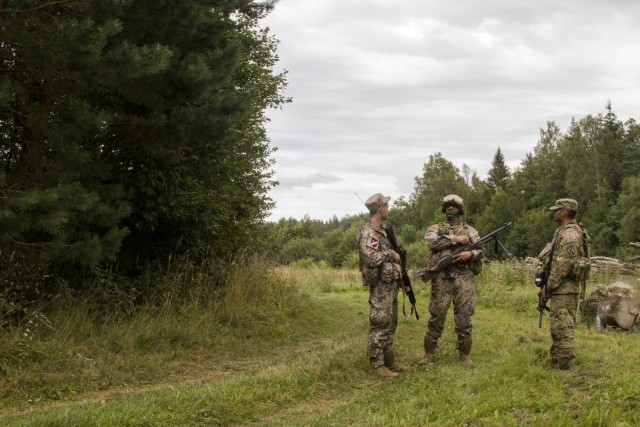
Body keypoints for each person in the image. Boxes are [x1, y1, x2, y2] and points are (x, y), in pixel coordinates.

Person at [419, 194, 484, 365]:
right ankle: (429, 354)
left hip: (464, 278)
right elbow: (432, 243)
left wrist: (470, 254)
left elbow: (481, 250)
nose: (450, 207)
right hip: (441, 278)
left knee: (464, 317)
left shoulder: (470, 230)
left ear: (461, 208)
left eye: (454, 205)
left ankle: (464, 355)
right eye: (447, 204)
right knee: (436, 315)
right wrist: (455, 239)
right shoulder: (435, 228)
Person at [357, 193, 409, 378]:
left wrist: (402, 280)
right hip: (379, 285)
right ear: (380, 208)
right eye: (387, 205)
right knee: (380, 322)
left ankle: (389, 361)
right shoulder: (369, 233)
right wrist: (390, 254)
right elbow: (370, 258)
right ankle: (377, 365)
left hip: (390, 284)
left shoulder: (383, 232)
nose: (388, 208)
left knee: (391, 321)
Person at [538, 198, 589, 370]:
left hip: (565, 289)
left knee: (563, 326)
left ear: (564, 212)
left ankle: (566, 364)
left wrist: (549, 286)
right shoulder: (563, 231)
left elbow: (563, 265)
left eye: (556, 210)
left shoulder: (570, 234)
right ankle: (556, 359)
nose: (554, 213)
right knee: (558, 325)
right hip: (561, 288)